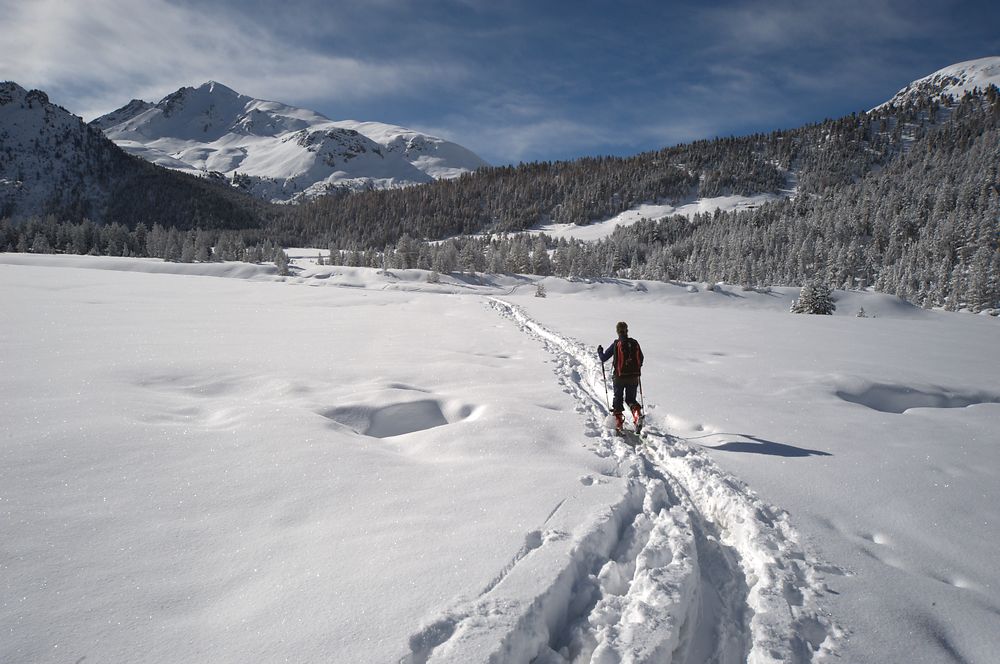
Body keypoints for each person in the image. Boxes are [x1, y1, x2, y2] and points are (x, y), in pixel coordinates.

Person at [597, 321, 644, 435]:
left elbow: (603, 358)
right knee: (630, 399)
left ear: (617, 331)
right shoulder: (634, 343)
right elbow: (641, 359)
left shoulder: (616, 344)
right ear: (627, 330)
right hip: (633, 377)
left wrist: (600, 351)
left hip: (619, 377)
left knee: (618, 398)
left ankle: (618, 423)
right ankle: (637, 416)